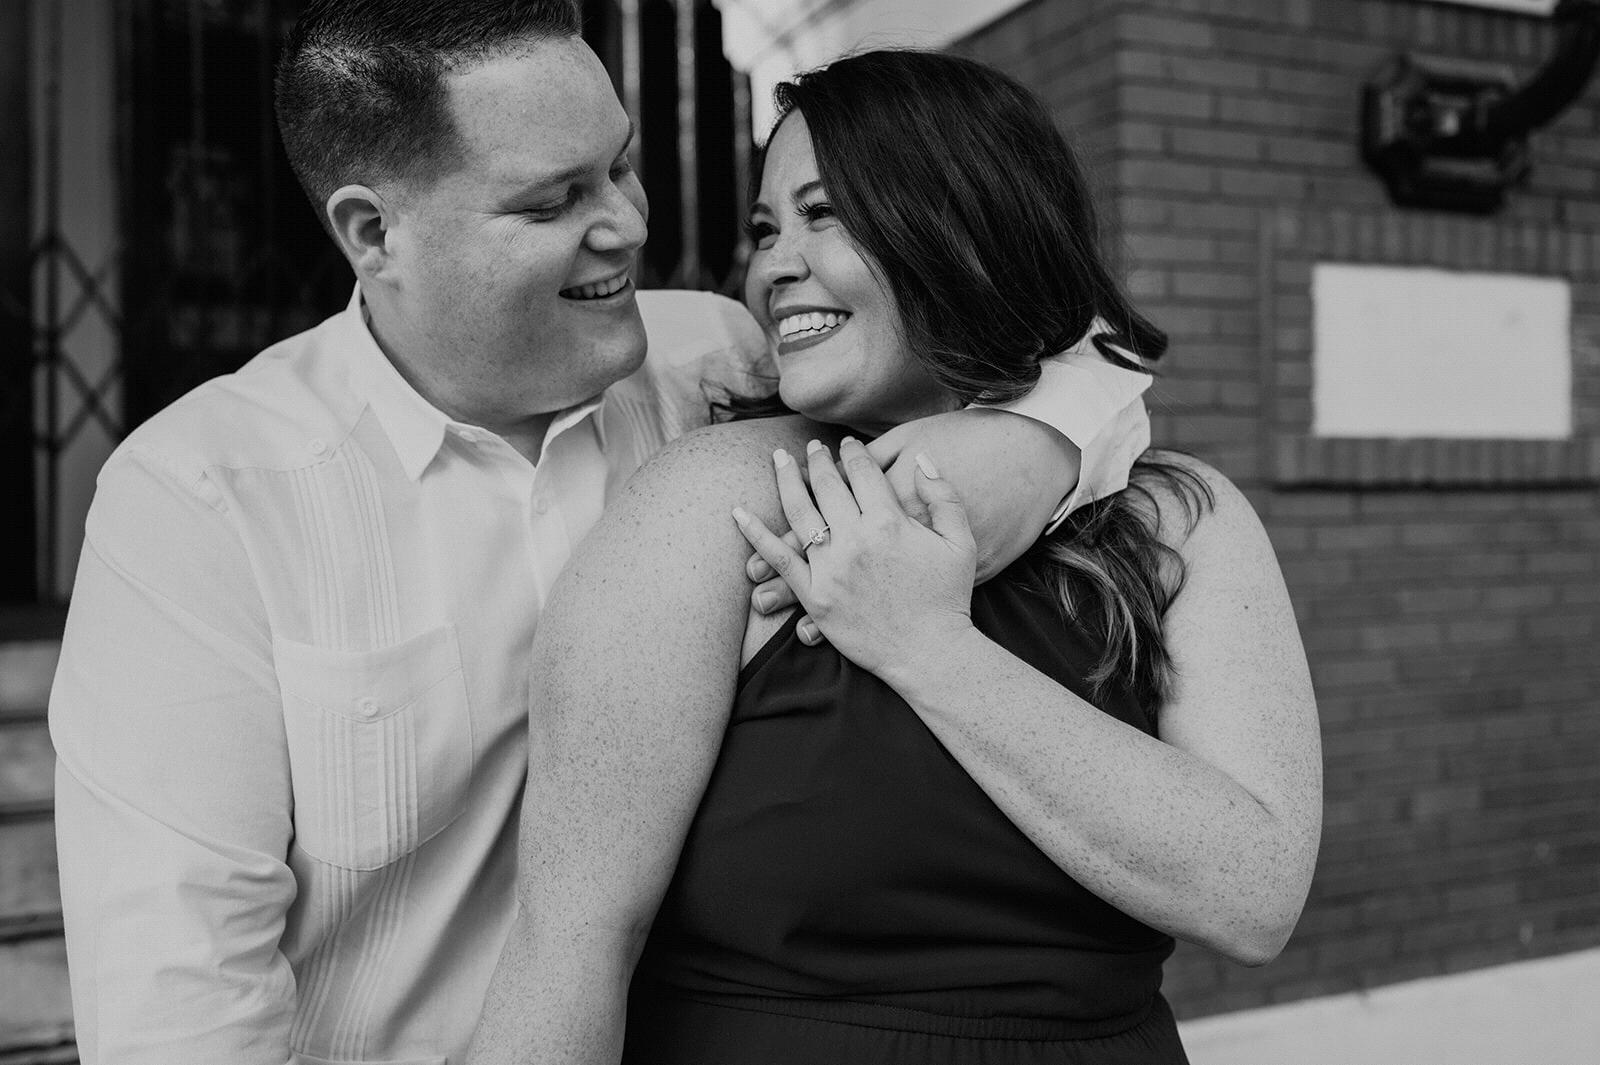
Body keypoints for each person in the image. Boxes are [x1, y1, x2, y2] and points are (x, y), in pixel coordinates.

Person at [47, 5, 1154, 1064]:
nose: (627, 223)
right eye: (554, 201)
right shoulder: (202, 501)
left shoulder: (712, 362)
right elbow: (179, 1010)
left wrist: (1034, 442)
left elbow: (1056, 333)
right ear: (375, 233)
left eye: (620, 166)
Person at [468, 50, 1322, 1065]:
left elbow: (1256, 896)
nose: (775, 266)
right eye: (765, 230)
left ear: (964, 226)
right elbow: (570, 947)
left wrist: (926, 646)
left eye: (824, 215)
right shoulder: (713, 503)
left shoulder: (1175, 522)